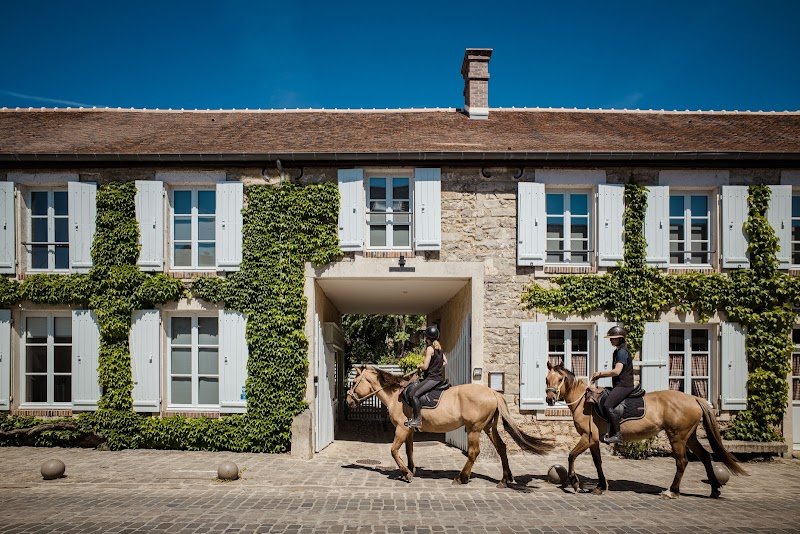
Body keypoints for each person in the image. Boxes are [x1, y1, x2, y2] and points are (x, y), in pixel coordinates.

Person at [590, 325, 634, 444]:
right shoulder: (617, 351)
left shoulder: (622, 352)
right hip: (619, 385)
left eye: (613, 338)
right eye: (610, 338)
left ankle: (617, 435)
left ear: (620, 339)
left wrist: (600, 374)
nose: (611, 340)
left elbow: (617, 371)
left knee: (607, 405)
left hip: (624, 386)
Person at [405, 325, 447, 430]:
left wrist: (419, 365)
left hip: (432, 379)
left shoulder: (430, 348)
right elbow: (445, 362)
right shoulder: (439, 348)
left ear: (427, 338)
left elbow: (425, 367)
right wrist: (437, 367)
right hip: (439, 378)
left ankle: (417, 420)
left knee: (413, 394)